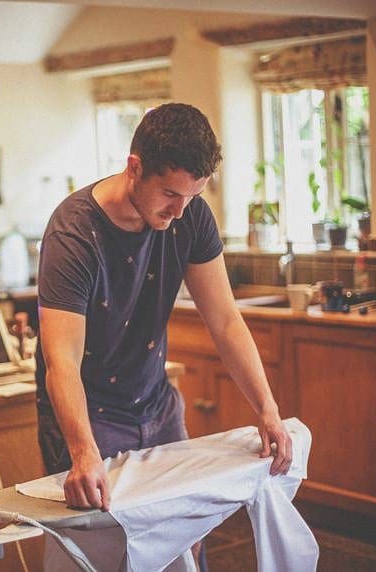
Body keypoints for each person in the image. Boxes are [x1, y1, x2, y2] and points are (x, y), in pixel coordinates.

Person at [34, 103, 292, 516]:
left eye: (193, 196)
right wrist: (83, 451)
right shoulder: (74, 233)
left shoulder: (189, 216)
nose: (179, 212)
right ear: (134, 167)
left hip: (157, 405)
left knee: (183, 538)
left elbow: (225, 322)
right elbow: (61, 360)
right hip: (89, 418)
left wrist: (267, 408)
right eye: (170, 193)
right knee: (110, 549)